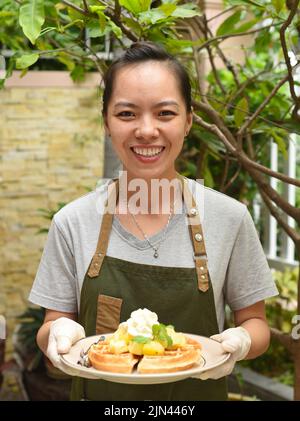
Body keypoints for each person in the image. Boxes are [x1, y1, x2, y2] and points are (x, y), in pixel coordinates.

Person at [29, 41, 278, 401]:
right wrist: (56, 333)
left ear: (189, 120)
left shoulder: (229, 218)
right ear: (106, 123)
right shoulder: (73, 221)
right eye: (127, 114)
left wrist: (240, 342)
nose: (147, 130)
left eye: (165, 113)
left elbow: (256, 325)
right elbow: (51, 324)